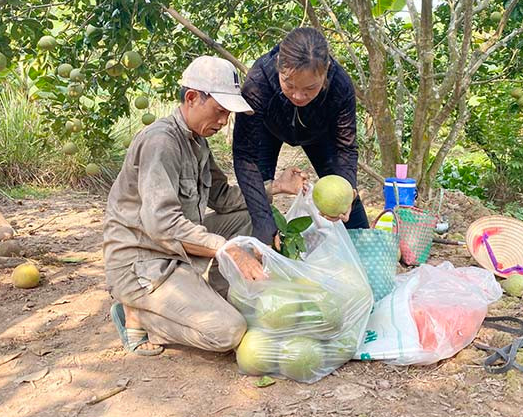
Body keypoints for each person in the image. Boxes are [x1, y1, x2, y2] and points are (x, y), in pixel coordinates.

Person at [103, 56, 304, 356]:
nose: (224, 122)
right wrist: (226, 248)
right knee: (227, 332)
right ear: (193, 98)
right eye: (220, 111)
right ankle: (136, 312)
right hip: (143, 262)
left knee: (253, 211)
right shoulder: (161, 142)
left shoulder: (197, 141)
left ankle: (224, 295)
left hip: (174, 250)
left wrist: (276, 187)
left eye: (227, 114)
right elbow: (161, 224)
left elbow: (222, 197)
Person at [233, 27, 369, 247]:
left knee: (348, 202)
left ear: (325, 73)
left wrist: (349, 191)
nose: (298, 96)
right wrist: (262, 221)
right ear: (279, 67)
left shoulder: (340, 86)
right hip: (269, 129)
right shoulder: (260, 80)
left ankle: (365, 255)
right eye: (289, 84)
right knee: (259, 210)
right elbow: (245, 154)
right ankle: (257, 261)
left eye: (310, 88)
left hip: (319, 134)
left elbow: (345, 147)